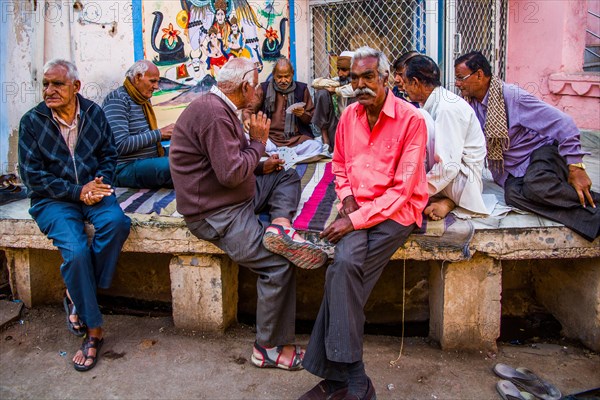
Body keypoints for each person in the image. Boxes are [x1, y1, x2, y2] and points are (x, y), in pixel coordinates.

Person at [169, 57, 328, 371]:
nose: (261, 88)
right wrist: (257, 144)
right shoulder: (213, 113)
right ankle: (267, 348)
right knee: (278, 264)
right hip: (217, 212)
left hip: (234, 196)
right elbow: (229, 173)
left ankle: (280, 226)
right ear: (245, 87)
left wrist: (260, 163)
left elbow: (226, 162)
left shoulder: (220, 108)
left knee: (284, 175)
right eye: (257, 83)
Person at [299, 46, 428, 400]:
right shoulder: (349, 117)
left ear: (386, 79)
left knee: (342, 271)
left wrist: (352, 219)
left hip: (396, 214)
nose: (360, 84)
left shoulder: (411, 120)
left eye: (368, 76)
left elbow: (403, 191)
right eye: (354, 78)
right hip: (357, 209)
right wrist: (348, 200)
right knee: (344, 264)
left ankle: (343, 377)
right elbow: (338, 166)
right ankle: (352, 378)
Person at [18, 59, 131, 372]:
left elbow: (109, 155)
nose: (49, 90)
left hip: (91, 191)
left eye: (57, 84)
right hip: (53, 199)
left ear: (76, 87)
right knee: (77, 251)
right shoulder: (33, 121)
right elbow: (32, 176)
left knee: (117, 223)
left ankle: (78, 292)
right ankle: (94, 331)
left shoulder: (93, 114)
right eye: (45, 84)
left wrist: (99, 183)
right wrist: (76, 191)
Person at [454, 51, 600, 241]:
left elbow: (564, 124)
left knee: (535, 186)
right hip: (516, 167)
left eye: (460, 78)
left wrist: (576, 167)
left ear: (479, 75)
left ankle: (595, 200)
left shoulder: (513, 96)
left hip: (542, 152)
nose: (457, 83)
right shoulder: (470, 105)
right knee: (513, 195)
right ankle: (594, 220)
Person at [403, 55, 488, 220]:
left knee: (420, 119)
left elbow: (449, 167)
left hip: (464, 182)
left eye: (406, 83)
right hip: (454, 179)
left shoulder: (446, 108)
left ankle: (448, 200)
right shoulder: (436, 102)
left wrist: (413, 193)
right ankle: (445, 200)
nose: (404, 88)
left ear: (415, 82)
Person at [102, 60, 175, 189]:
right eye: (153, 81)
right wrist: (160, 134)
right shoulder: (117, 99)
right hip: (125, 167)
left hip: (150, 158)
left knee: (190, 154)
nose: (156, 86)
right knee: (176, 165)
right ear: (137, 78)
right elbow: (119, 145)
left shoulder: (142, 99)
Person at [243, 57, 322, 157]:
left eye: (287, 76)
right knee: (245, 138)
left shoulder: (302, 89)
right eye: (279, 77)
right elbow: (249, 109)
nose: (283, 80)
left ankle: (274, 155)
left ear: (292, 74)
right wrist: (247, 119)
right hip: (269, 139)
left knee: (316, 146)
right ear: (274, 75)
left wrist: (303, 114)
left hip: (295, 141)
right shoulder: (264, 88)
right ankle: (285, 155)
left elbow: (311, 117)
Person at [311, 51, 355, 151]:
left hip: (355, 130)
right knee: (322, 93)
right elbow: (315, 83)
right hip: (337, 126)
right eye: (338, 69)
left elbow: (354, 90)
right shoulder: (339, 80)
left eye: (344, 70)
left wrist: (336, 90)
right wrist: (334, 85)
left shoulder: (361, 83)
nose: (340, 73)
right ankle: (326, 141)